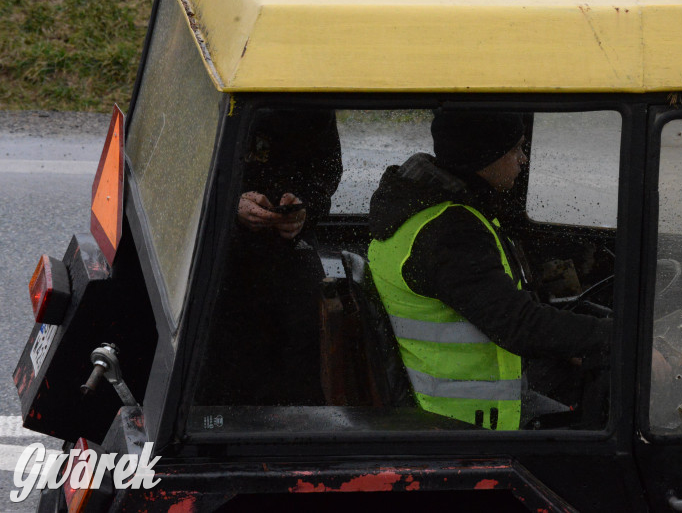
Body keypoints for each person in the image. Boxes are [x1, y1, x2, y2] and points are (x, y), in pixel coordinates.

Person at [367, 111, 613, 430]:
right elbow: (517, 325)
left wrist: (578, 344)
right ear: (487, 156)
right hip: (469, 423)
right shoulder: (450, 234)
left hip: (463, 399)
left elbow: (504, 310)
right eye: (516, 149)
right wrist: (615, 338)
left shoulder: (436, 212)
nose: (523, 160)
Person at [200, 108, 343, 406]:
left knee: (306, 338)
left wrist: (304, 208)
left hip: (287, 249)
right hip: (212, 243)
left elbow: (326, 172)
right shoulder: (215, 90)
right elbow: (180, 168)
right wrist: (229, 203)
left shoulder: (312, 96)